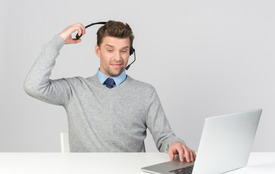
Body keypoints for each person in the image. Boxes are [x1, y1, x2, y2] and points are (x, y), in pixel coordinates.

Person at [24, 21, 195, 162]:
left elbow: (165, 138)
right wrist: (59, 40)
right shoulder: (74, 89)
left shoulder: (146, 92)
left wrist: (175, 144)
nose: (118, 58)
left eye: (124, 51)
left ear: (130, 53)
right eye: (110, 50)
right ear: (98, 51)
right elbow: (33, 85)